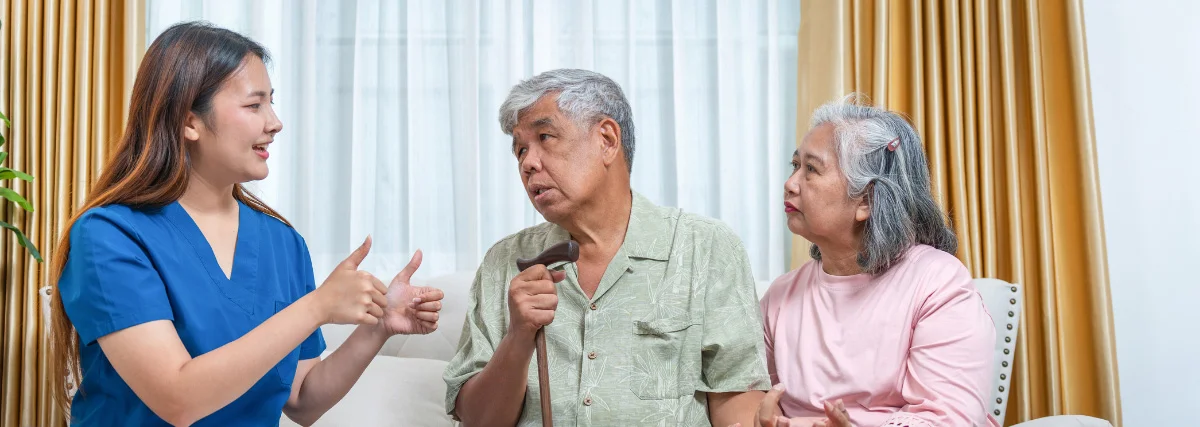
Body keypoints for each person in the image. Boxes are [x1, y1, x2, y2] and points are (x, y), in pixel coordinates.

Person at [47, 22, 445, 426]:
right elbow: (177, 398)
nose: (275, 123)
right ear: (190, 122)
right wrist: (318, 306)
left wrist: (378, 328)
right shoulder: (110, 236)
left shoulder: (282, 243)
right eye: (254, 106)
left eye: (272, 103)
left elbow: (303, 400)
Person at [443, 69, 770, 426]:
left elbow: (739, 406)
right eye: (520, 149)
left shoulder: (705, 249)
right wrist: (519, 335)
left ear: (607, 139)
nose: (527, 162)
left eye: (545, 137)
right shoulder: (505, 262)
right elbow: (476, 420)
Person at [755, 95, 999, 427]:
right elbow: (765, 403)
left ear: (867, 200)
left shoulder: (937, 283)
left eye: (811, 169)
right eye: (795, 165)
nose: (790, 184)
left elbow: (948, 419)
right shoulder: (780, 296)